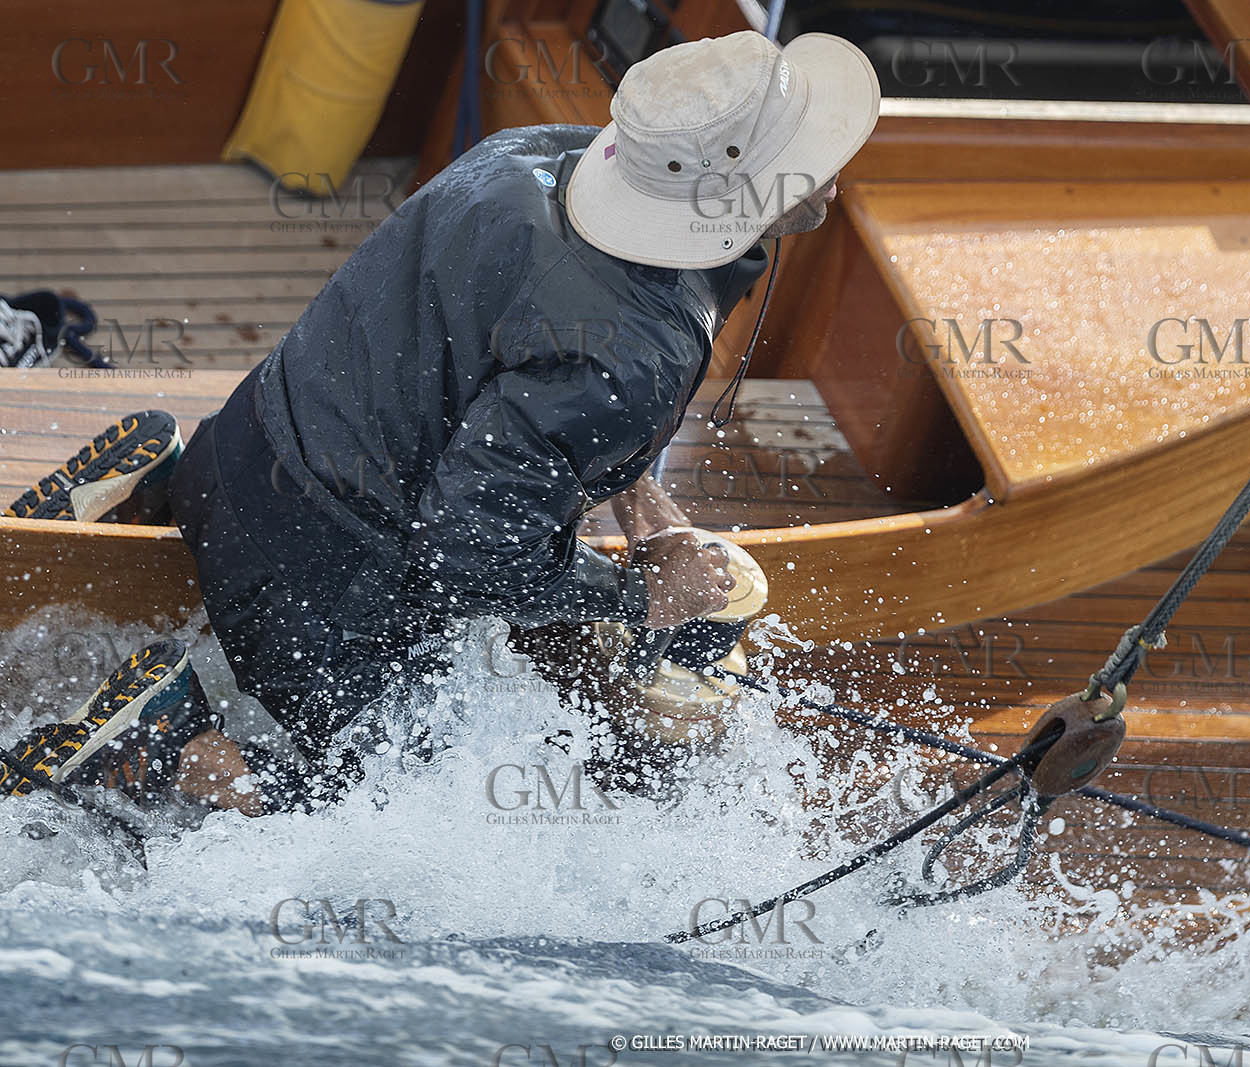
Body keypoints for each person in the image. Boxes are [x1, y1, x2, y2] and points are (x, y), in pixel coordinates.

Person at [0, 30, 881, 816]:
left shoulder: (539, 155)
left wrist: (634, 496)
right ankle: (170, 742)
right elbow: (467, 559)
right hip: (308, 581)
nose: (834, 174)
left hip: (247, 439)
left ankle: (165, 477)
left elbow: (524, 369)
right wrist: (640, 596)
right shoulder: (632, 353)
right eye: (807, 157)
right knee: (401, 801)